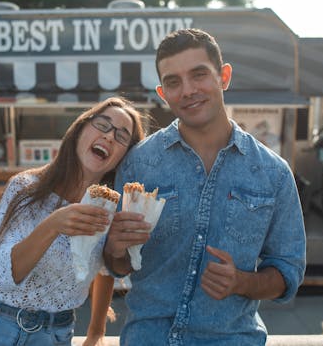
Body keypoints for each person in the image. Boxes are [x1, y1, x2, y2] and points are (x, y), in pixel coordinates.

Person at [104, 28, 306, 345]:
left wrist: (242, 282)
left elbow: (288, 271)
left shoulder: (274, 173)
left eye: (199, 75)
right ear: (162, 93)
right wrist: (114, 249)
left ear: (223, 76)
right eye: (173, 82)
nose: (187, 90)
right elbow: (120, 265)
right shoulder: (137, 164)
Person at [0, 97, 145, 346]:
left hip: (53, 334)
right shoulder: (25, 188)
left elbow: (104, 268)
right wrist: (53, 224)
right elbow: (3, 277)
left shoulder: (111, 207)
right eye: (103, 124)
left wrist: (96, 332)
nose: (109, 136)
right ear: (79, 129)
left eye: (122, 136)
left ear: (124, 155)